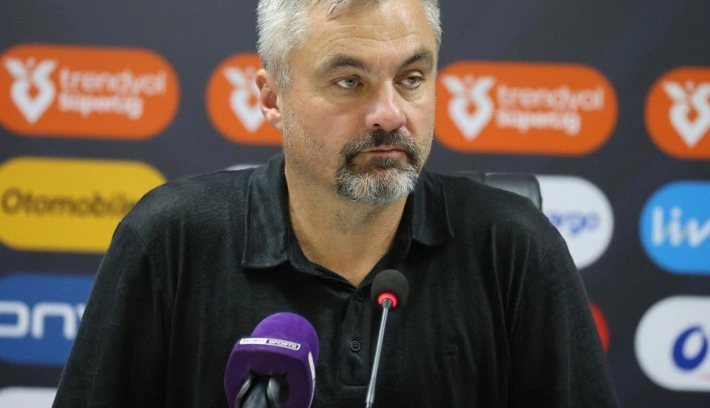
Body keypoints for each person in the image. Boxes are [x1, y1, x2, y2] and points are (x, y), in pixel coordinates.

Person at [53, 0, 620, 406]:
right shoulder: (169, 242)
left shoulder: (515, 248)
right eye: (350, 81)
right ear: (272, 98)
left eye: (412, 78)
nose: (390, 114)